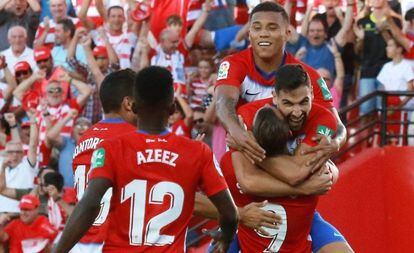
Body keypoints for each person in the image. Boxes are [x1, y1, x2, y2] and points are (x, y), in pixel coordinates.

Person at [53, 66, 238, 253]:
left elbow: (90, 203)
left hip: (96, 242)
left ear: (134, 106)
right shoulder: (197, 151)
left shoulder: (103, 145)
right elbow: (229, 214)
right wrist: (226, 236)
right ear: (173, 108)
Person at [214, 1, 346, 166]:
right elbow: (223, 103)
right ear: (249, 33)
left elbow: (337, 123)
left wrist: (337, 142)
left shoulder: (308, 75)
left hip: (289, 161)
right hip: (246, 161)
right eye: (257, 28)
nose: (263, 34)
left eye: (272, 28)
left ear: (288, 33)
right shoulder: (233, 64)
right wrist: (238, 133)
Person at [69, 69, 145, 252]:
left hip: (80, 242)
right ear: (128, 103)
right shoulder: (134, 138)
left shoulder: (84, 138)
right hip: (114, 242)